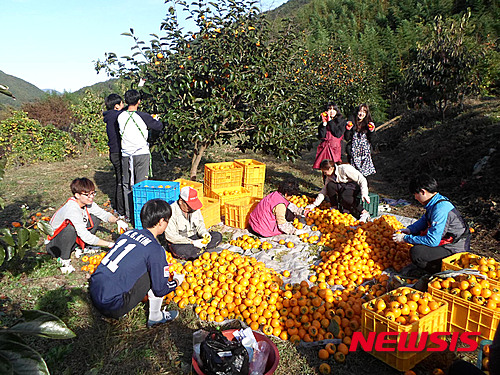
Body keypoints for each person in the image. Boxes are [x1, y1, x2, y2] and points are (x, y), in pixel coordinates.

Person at [89, 199, 182, 327]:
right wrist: (176, 282)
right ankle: (156, 316)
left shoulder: (129, 233)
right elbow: (160, 289)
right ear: (161, 222)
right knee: (156, 273)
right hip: (111, 306)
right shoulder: (155, 249)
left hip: (94, 290)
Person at [46, 178, 128, 274]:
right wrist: (110, 245)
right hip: (55, 245)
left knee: (95, 217)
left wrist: (117, 221)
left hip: (70, 239)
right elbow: (85, 235)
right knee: (70, 229)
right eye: (87, 195)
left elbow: (103, 214)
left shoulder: (87, 203)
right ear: (77, 195)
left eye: (93, 193)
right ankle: (64, 260)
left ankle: (84, 247)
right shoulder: (72, 209)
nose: (91, 197)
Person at [392, 174, 471, 274]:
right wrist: (410, 230)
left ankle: (439, 272)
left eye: (415, 194)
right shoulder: (435, 201)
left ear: (422, 192)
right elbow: (425, 219)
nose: (415, 198)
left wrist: (405, 238)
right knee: (416, 236)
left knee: (417, 253)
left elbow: (432, 241)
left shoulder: (440, 209)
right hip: (447, 241)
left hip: (455, 248)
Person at [117, 89, 164, 219]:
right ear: (139, 101)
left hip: (126, 155)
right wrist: (156, 119)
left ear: (125, 102)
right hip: (141, 154)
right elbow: (158, 126)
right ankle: (141, 215)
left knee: (127, 184)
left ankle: (129, 214)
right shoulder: (144, 116)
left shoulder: (120, 117)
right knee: (141, 184)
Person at [164, 186, 222, 260]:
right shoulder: (171, 211)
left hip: (195, 236)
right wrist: (192, 242)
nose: (191, 208)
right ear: (181, 201)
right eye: (189, 205)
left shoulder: (194, 208)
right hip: (181, 242)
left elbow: (200, 224)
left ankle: (199, 251)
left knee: (217, 236)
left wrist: (204, 233)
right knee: (180, 250)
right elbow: (171, 236)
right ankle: (199, 251)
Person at [305, 159, 371, 222]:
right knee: (330, 186)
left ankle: (364, 212)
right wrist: (314, 205)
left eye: (325, 172)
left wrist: (364, 193)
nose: (324, 174)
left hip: (354, 186)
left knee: (345, 196)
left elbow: (362, 179)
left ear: (331, 168)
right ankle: (335, 207)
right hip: (343, 186)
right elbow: (324, 191)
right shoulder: (330, 177)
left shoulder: (344, 169)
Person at [103, 94, 125, 217]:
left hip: (114, 152)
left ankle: (119, 206)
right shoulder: (117, 117)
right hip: (118, 152)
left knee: (119, 180)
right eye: (122, 104)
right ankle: (120, 209)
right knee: (121, 181)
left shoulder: (110, 116)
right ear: (117, 106)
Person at [344, 103, 376, 177]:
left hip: (365, 156)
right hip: (353, 154)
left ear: (366, 113)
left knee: (363, 178)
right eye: (360, 111)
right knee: (353, 175)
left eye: (364, 112)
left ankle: (362, 188)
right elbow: (347, 138)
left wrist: (372, 131)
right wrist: (348, 130)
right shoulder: (351, 122)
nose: (361, 114)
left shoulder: (369, 124)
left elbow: (373, 140)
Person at [313, 102, 346, 170]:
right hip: (325, 148)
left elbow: (338, 134)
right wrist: (324, 124)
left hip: (335, 148)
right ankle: (326, 181)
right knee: (325, 168)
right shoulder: (324, 122)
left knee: (335, 168)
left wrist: (330, 121)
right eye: (329, 109)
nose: (332, 111)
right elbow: (321, 136)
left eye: (334, 109)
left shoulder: (341, 121)